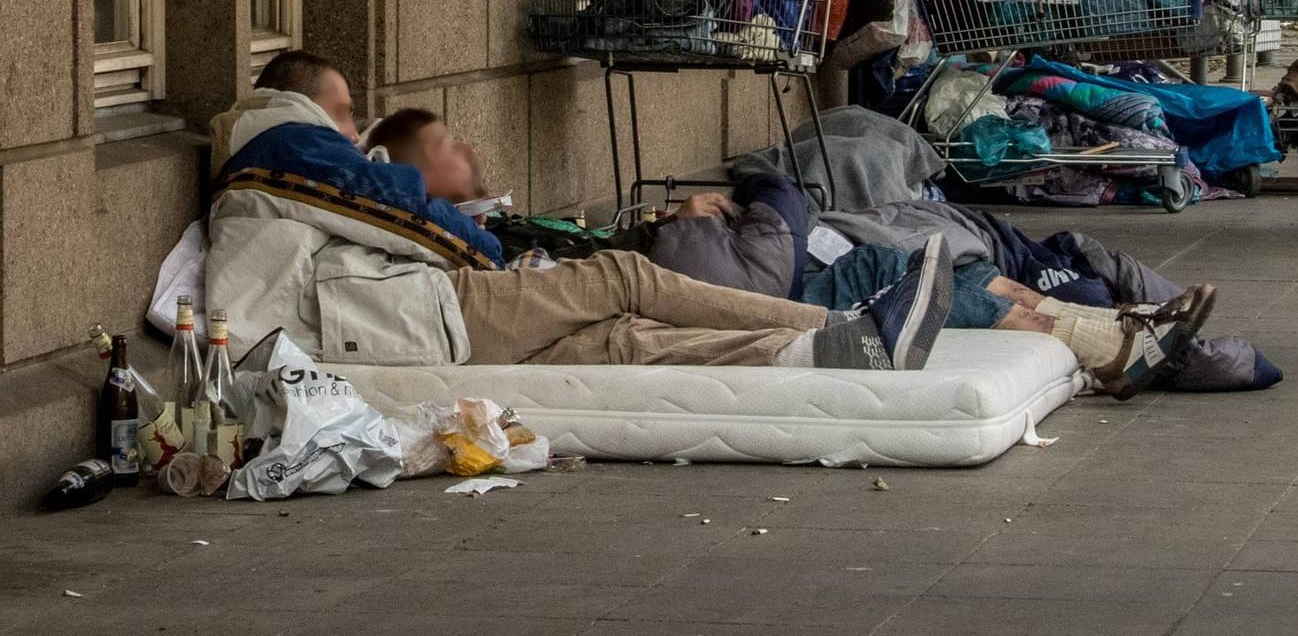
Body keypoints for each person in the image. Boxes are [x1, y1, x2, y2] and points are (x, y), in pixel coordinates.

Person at [366, 103, 1214, 398]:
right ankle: (1112, 339)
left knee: (633, 328)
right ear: (414, 168)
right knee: (632, 310)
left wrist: (667, 217)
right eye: (447, 144)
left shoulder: (483, 215)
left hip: (618, 288)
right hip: (644, 285)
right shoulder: (434, 220)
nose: (466, 149)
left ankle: (1116, 339)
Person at [206, 51, 975, 374]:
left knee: (622, 342)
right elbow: (399, 212)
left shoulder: (276, 163)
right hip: (402, 310)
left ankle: (827, 355)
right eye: (343, 112)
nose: (353, 128)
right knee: (619, 279)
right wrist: (495, 260)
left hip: (384, 316)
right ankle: (846, 333)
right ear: (300, 101)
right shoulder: (281, 140)